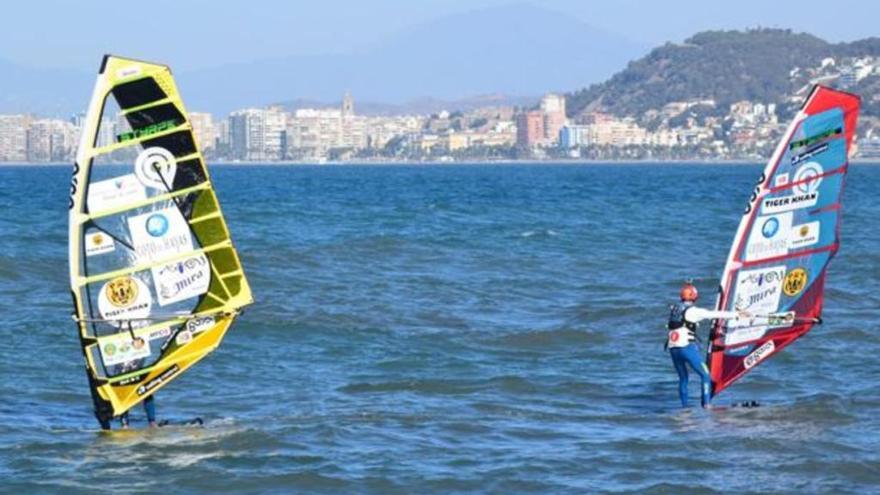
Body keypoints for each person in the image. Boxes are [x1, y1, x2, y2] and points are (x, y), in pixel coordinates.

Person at [666, 281, 748, 408]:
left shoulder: (675, 309)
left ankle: (684, 409)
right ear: (694, 297)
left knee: (683, 379)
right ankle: (707, 405)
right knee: (705, 375)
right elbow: (714, 314)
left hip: (673, 349)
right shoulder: (694, 311)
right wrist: (737, 314)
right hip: (687, 348)